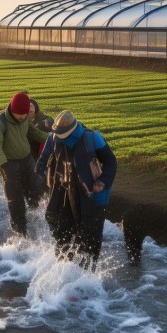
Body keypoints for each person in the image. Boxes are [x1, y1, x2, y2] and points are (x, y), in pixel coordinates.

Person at [35, 110, 117, 271]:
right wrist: (40, 175)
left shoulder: (92, 138)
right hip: (64, 191)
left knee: (90, 234)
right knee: (57, 223)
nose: (59, 136)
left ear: (72, 130)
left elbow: (111, 162)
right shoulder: (53, 138)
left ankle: (88, 274)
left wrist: (103, 181)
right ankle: (64, 266)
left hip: (90, 193)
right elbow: (43, 159)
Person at [0, 92, 48, 237]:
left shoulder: (25, 118)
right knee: (16, 203)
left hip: (27, 162)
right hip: (9, 166)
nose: (22, 118)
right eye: (19, 115)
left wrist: (53, 139)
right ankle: (21, 236)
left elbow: (35, 133)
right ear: (12, 110)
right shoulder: (0, 122)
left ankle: (36, 223)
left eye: (25, 115)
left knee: (36, 192)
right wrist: (4, 166)